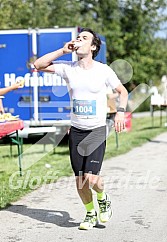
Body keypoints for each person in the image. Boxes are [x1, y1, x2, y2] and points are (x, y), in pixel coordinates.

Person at [34, 28, 128, 230]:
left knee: (91, 178)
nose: (79, 40)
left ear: (93, 46)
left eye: (84, 38)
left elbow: (123, 91)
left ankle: (103, 199)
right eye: (78, 37)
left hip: (96, 130)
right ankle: (90, 213)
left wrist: (120, 112)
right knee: (80, 180)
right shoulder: (68, 68)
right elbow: (38, 65)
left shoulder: (103, 70)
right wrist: (62, 51)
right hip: (76, 130)